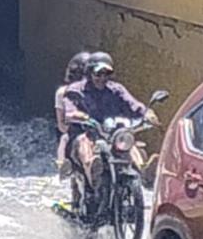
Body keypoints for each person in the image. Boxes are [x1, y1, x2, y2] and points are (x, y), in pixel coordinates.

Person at [61, 52, 159, 189]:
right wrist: (81, 117)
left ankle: (143, 171)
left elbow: (132, 104)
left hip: (113, 135)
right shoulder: (76, 91)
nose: (102, 78)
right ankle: (93, 169)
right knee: (84, 141)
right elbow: (69, 111)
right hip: (87, 134)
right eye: (98, 74)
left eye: (107, 74)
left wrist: (146, 113)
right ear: (89, 73)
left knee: (128, 140)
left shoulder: (116, 89)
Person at [54, 52, 91, 178]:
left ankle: (140, 166)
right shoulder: (64, 93)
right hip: (78, 131)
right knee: (66, 138)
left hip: (101, 131)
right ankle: (64, 164)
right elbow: (62, 125)